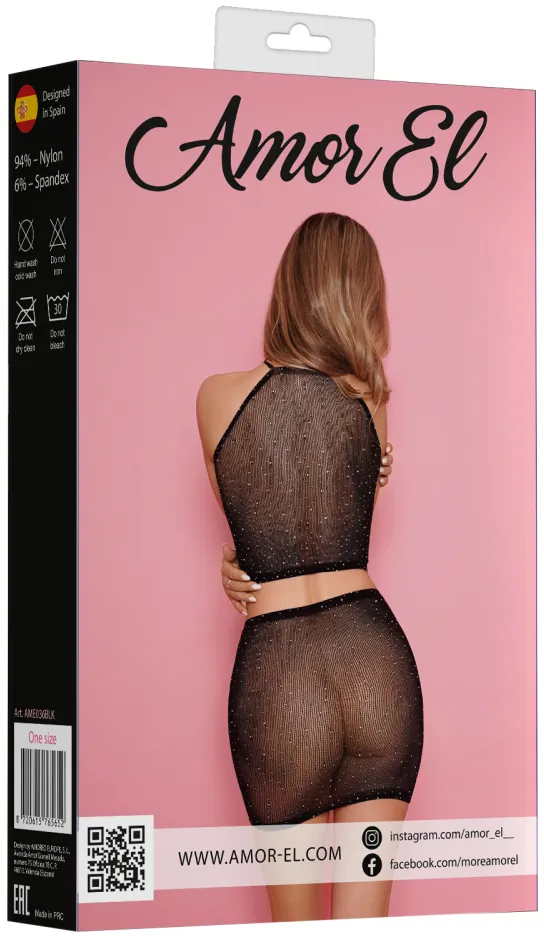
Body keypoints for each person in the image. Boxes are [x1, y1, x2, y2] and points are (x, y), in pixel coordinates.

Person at [196, 212, 424, 922]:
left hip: (281, 673)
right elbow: (330, 519)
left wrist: (232, 564)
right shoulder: (371, 400)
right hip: (375, 663)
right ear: (362, 294)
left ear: (288, 286)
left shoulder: (216, 397)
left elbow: (257, 524)